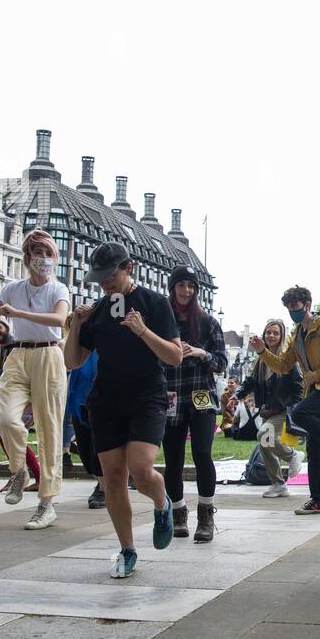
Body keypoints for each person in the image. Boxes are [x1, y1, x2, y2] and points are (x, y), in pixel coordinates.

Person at [65, 241, 182, 578]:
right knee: (113, 479)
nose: (105, 284)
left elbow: (174, 356)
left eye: (110, 276)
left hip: (147, 395)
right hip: (106, 401)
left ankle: (162, 504)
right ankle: (127, 549)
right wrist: (76, 324)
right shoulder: (99, 312)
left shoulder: (154, 303)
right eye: (100, 278)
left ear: (128, 268)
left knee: (141, 469)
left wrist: (143, 330)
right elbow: (73, 361)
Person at [0, 229, 70, 528]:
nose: (44, 260)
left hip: (48, 355)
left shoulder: (58, 290)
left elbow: (59, 321)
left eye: (49, 254)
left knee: (49, 430)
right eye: (38, 253)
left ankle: (47, 502)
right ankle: (19, 470)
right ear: (27, 258)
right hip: (18, 355)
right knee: (8, 420)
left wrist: (18, 313)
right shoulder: (11, 289)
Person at [252, 285, 320, 515]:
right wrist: (263, 351)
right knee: (314, 447)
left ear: (307, 305)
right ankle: (317, 501)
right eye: (288, 307)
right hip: (315, 389)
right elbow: (283, 366)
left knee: (300, 413)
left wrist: (316, 374)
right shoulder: (297, 336)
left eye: (295, 306)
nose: (292, 311)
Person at [162, 265, 228, 541]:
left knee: (202, 453)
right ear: (172, 288)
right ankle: (178, 512)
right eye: (181, 285)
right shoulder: (161, 320)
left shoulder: (208, 322)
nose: (186, 291)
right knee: (173, 458)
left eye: (191, 286)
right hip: (172, 395)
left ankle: (205, 513)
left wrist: (202, 353)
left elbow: (222, 362)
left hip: (201, 395)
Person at [236, 319, 303, 499]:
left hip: (283, 410)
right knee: (265, 445)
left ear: (281, 336)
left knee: (262, 435)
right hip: (268, 410)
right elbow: (250, 381)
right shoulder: (261, 361)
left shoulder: (287, 359)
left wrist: (292, 409)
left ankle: (292, 455)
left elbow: (298, 386)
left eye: (275, 333)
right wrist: (237, 395)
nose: (271, 336)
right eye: (268, 332)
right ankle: (278, 484)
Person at [65, 340, 105, 508]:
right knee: (86, 455)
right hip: (80, 396)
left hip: (104, 398)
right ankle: (103, 482)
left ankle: (104, 488)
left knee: (99, 451)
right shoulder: (82, 334)